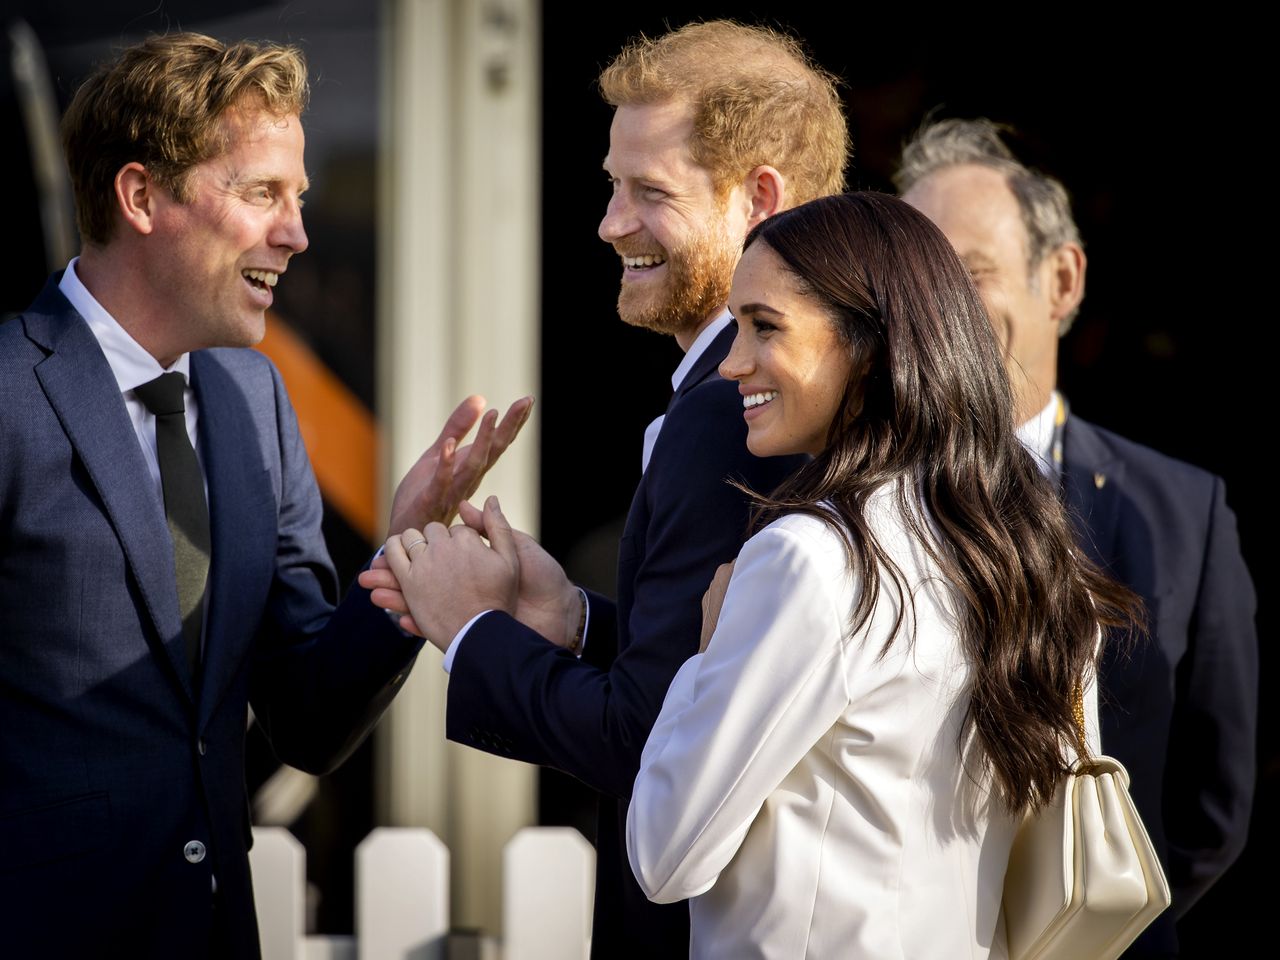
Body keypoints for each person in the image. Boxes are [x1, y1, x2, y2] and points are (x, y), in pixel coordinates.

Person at [0, 33, 529, 959]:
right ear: (141, 197)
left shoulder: (254, 399)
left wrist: (403, 548)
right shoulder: (8, 388)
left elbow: (310, 720)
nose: (297, 233)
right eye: (261, 194)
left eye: (300, 198)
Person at [359, 19, 848, 957]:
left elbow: (650, 740)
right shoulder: (805, 397)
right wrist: (577, 621)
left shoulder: (729, 414)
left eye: (648, 192)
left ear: (760, 197)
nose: (610, 222)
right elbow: (740, 671)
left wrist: (472, 629)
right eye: (611, 186)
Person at [609, 191, 1131, 957]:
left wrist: (705, 656)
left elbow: (665, 853)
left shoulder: (809, 561)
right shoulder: (1029, 552)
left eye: (765, 326)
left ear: (869, 344)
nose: (731, 362)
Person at [895, 118, 1258, 956]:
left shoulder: (1184, 512)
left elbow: (1211, 808)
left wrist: (1087, 927)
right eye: (918, 280)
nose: (937, 308)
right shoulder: (851, 501)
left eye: (971, 273)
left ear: (1060, 280)